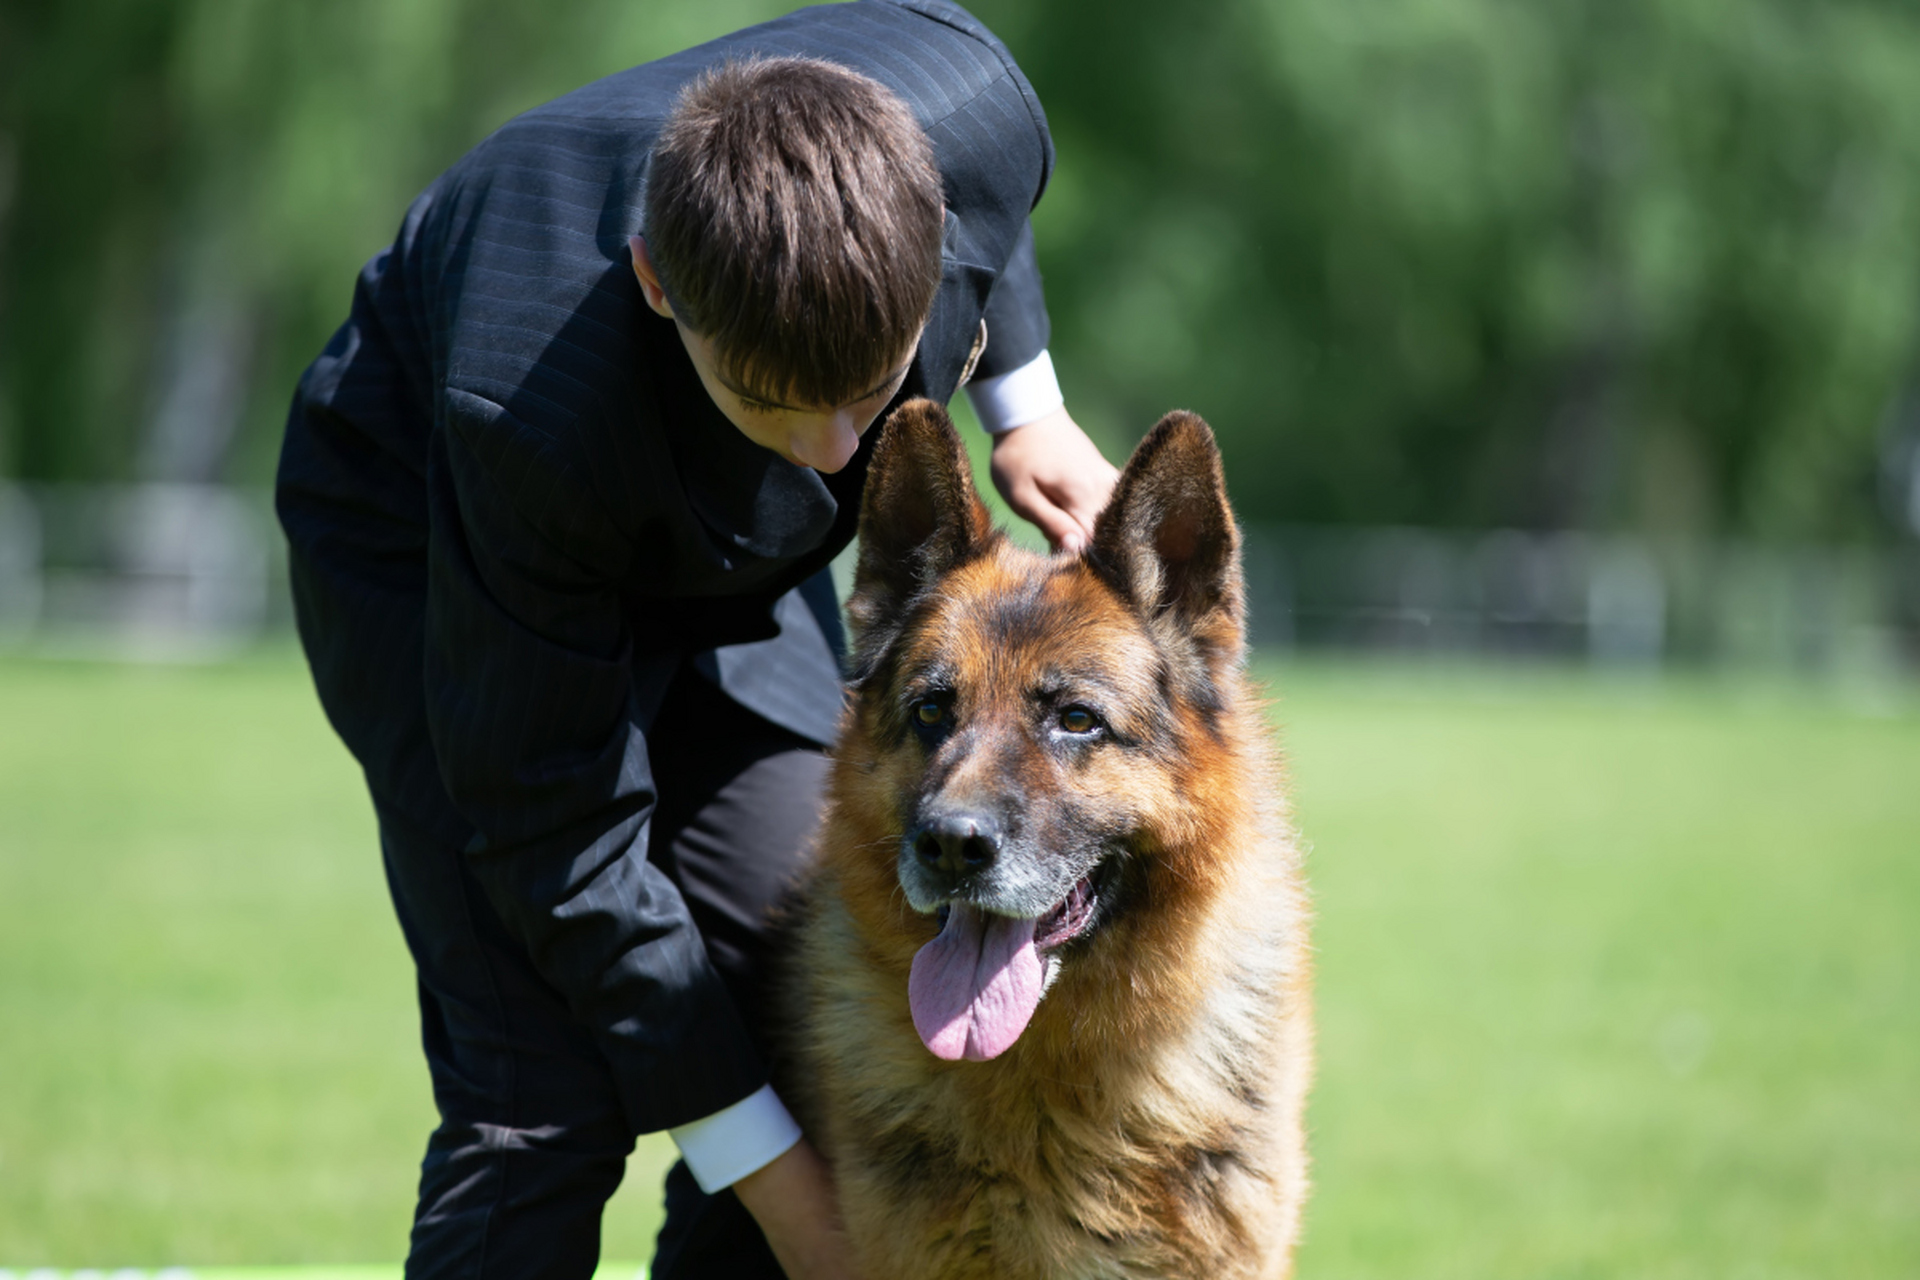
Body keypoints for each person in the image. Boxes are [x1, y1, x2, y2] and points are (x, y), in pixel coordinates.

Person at [274, 2, 1117, 1278]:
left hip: (726, 546)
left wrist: (1028, 404)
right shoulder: (525, 415)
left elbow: (987, 235)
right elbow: (560, 842)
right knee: (540, 1090)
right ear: (661, 285)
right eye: (783, 403)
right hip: (438, 543)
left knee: (810, 990)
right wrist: (785, 1198)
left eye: (872, 387)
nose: (843, 458)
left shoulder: (975, 106)